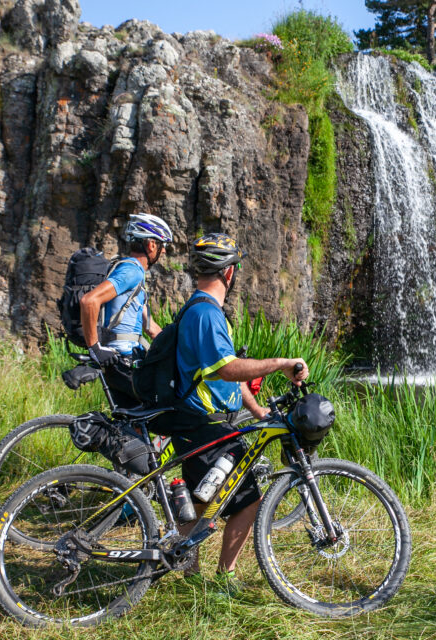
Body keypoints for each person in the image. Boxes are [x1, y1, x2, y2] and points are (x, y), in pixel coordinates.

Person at [159, 233, 309, 594]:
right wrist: (282, 363)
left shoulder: (203, 310)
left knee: (204, 499)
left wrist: (256, 409)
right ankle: (219, 577)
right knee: (247, 503)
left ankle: (189, 570)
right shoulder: (206, 314)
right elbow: (228, 369)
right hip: (203, 426)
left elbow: (222, 372)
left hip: (207, 424)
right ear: (229, 273)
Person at [80, 213, 173, 407]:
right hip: (122, 361)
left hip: (124, 360)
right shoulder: (131, 271)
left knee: (132, 425)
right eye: (163, 245)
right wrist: (94, 348)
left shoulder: (135, 275)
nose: (164, 252)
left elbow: (151, 328)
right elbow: (89, 301)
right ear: (151, 245)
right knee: (168, 405)